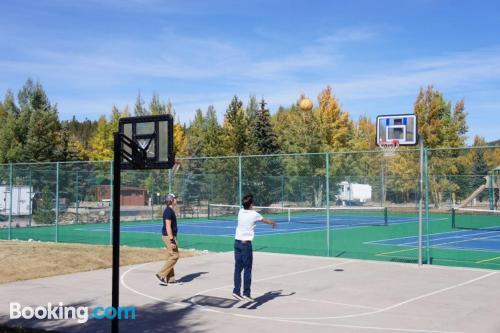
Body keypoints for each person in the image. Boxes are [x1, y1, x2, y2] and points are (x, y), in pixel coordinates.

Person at [232, 194, 277, 302]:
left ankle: (236, 291)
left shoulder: (240, 211)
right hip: (245, 245)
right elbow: (265, 220)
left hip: (237, 243)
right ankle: (246, 293)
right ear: (251, 204)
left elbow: (246, 204)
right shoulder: (254, 214)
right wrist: (273, 223)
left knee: (238, 268)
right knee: (247, 269)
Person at [156, 193, 180, 285]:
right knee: (175, 256)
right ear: (171, 200)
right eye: (175, 199)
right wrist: (171, 240)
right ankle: (161, 274)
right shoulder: (168, 212)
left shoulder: (170, 210)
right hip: (168, 236)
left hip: (169, 236)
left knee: (170, 256)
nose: (176, 200)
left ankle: (170, 279)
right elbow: (168, 226)